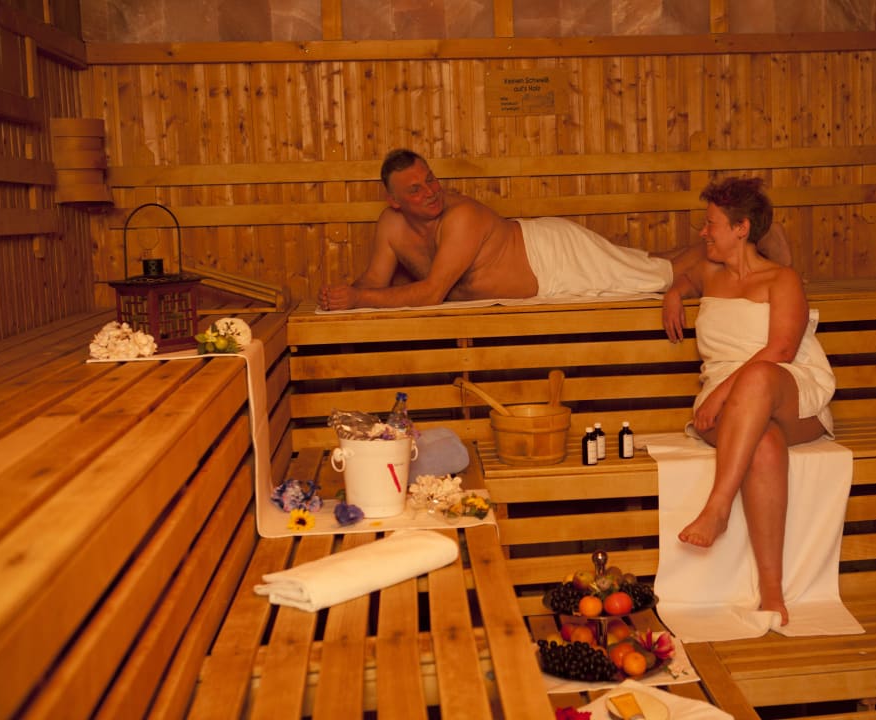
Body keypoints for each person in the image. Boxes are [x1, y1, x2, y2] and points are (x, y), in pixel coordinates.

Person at [661, 176, 835, 626]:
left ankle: (717, 507)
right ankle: (772, 594)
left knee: (757, 376)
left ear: (741, 228)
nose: (704, 232)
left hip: (787, 387)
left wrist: (723, 392)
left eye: (711, 224)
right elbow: (682, 277)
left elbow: (781, 349)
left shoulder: (782, 279)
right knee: (765, 446)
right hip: (729, 400)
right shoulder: (707, 273)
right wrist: (674, 294)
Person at [318, 149, 792, 310]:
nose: (430, 192)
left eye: (431, 180)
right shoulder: (390, 225)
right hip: (544, 264)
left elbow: (432, 292)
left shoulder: (460, 217)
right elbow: (373, 282)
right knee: (647, 265)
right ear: (394, 200)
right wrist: (343, 296)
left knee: (655, 276)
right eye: (415, 189)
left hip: (553, 259)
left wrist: (358, 299)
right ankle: (729, 240)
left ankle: (750, 241)